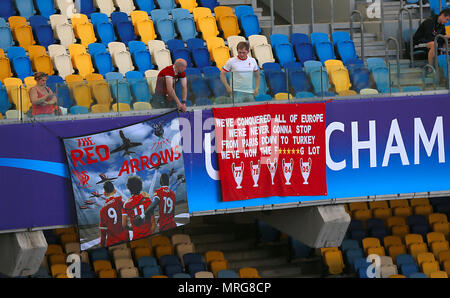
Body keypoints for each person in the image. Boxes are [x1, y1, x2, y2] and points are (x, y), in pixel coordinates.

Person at [122, 175, 155, 240]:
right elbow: (153, 222)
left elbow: (124, 225)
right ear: (140, 187)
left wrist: (133, 228)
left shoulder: (125, 205)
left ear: (128, 188)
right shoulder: (148, 200)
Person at [98, 181, 129, 247]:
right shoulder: (121, 202)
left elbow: (103, 232)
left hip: (111, 244)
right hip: (125, 240)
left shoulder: (102, 210)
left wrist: (102, 245)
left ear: (104, 193)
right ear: (115, 191)